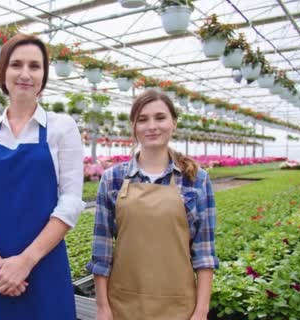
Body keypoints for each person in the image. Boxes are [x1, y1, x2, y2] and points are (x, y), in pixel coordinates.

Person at [0, 34, 85, 320]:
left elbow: (71, 201)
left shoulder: (62, 128)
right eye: (16, 65)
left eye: (35, 66)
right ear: (3, 72)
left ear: (43, 76)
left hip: (43, 267)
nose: (25, 74)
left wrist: (25, 262)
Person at [87, 90, 219, 320]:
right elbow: (102, 251)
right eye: (143, 119)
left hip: (180, 306)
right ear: (134, 127)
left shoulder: (196, 180)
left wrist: (201, 310)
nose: (152, 126)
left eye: (160, 118)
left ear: (174, 123)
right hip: (123, 304)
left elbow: (204, 253)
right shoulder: (113, 179)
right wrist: (102, 307)